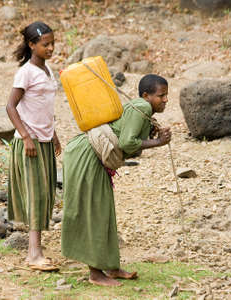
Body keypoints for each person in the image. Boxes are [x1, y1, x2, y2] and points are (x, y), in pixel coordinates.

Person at [61, 74, 172, 286]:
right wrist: (157, 142)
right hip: (87, 155)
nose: (165, 100)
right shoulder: (144, 107)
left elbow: (128, 144)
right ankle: (95, 273)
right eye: (161, 95)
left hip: (90, 154)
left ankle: (111, 267)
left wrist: (151, 134)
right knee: (96, 211)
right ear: (146, 96)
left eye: (167, 95)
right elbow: (128, 143)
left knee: (105, 210)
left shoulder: (142, 110)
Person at [6, 21, 61, 271]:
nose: (50, 48)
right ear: (32, 45)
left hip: (46, 140)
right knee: (35, 195)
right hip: (30, 144)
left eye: (52, 43)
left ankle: (37, 250)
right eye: (45, 44)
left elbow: (43, 108)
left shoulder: (47, 70)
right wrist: (26, 136)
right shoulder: (26, 72)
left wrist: (54, 134)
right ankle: (33, 254)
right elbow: (11, 106)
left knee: (46, 194)